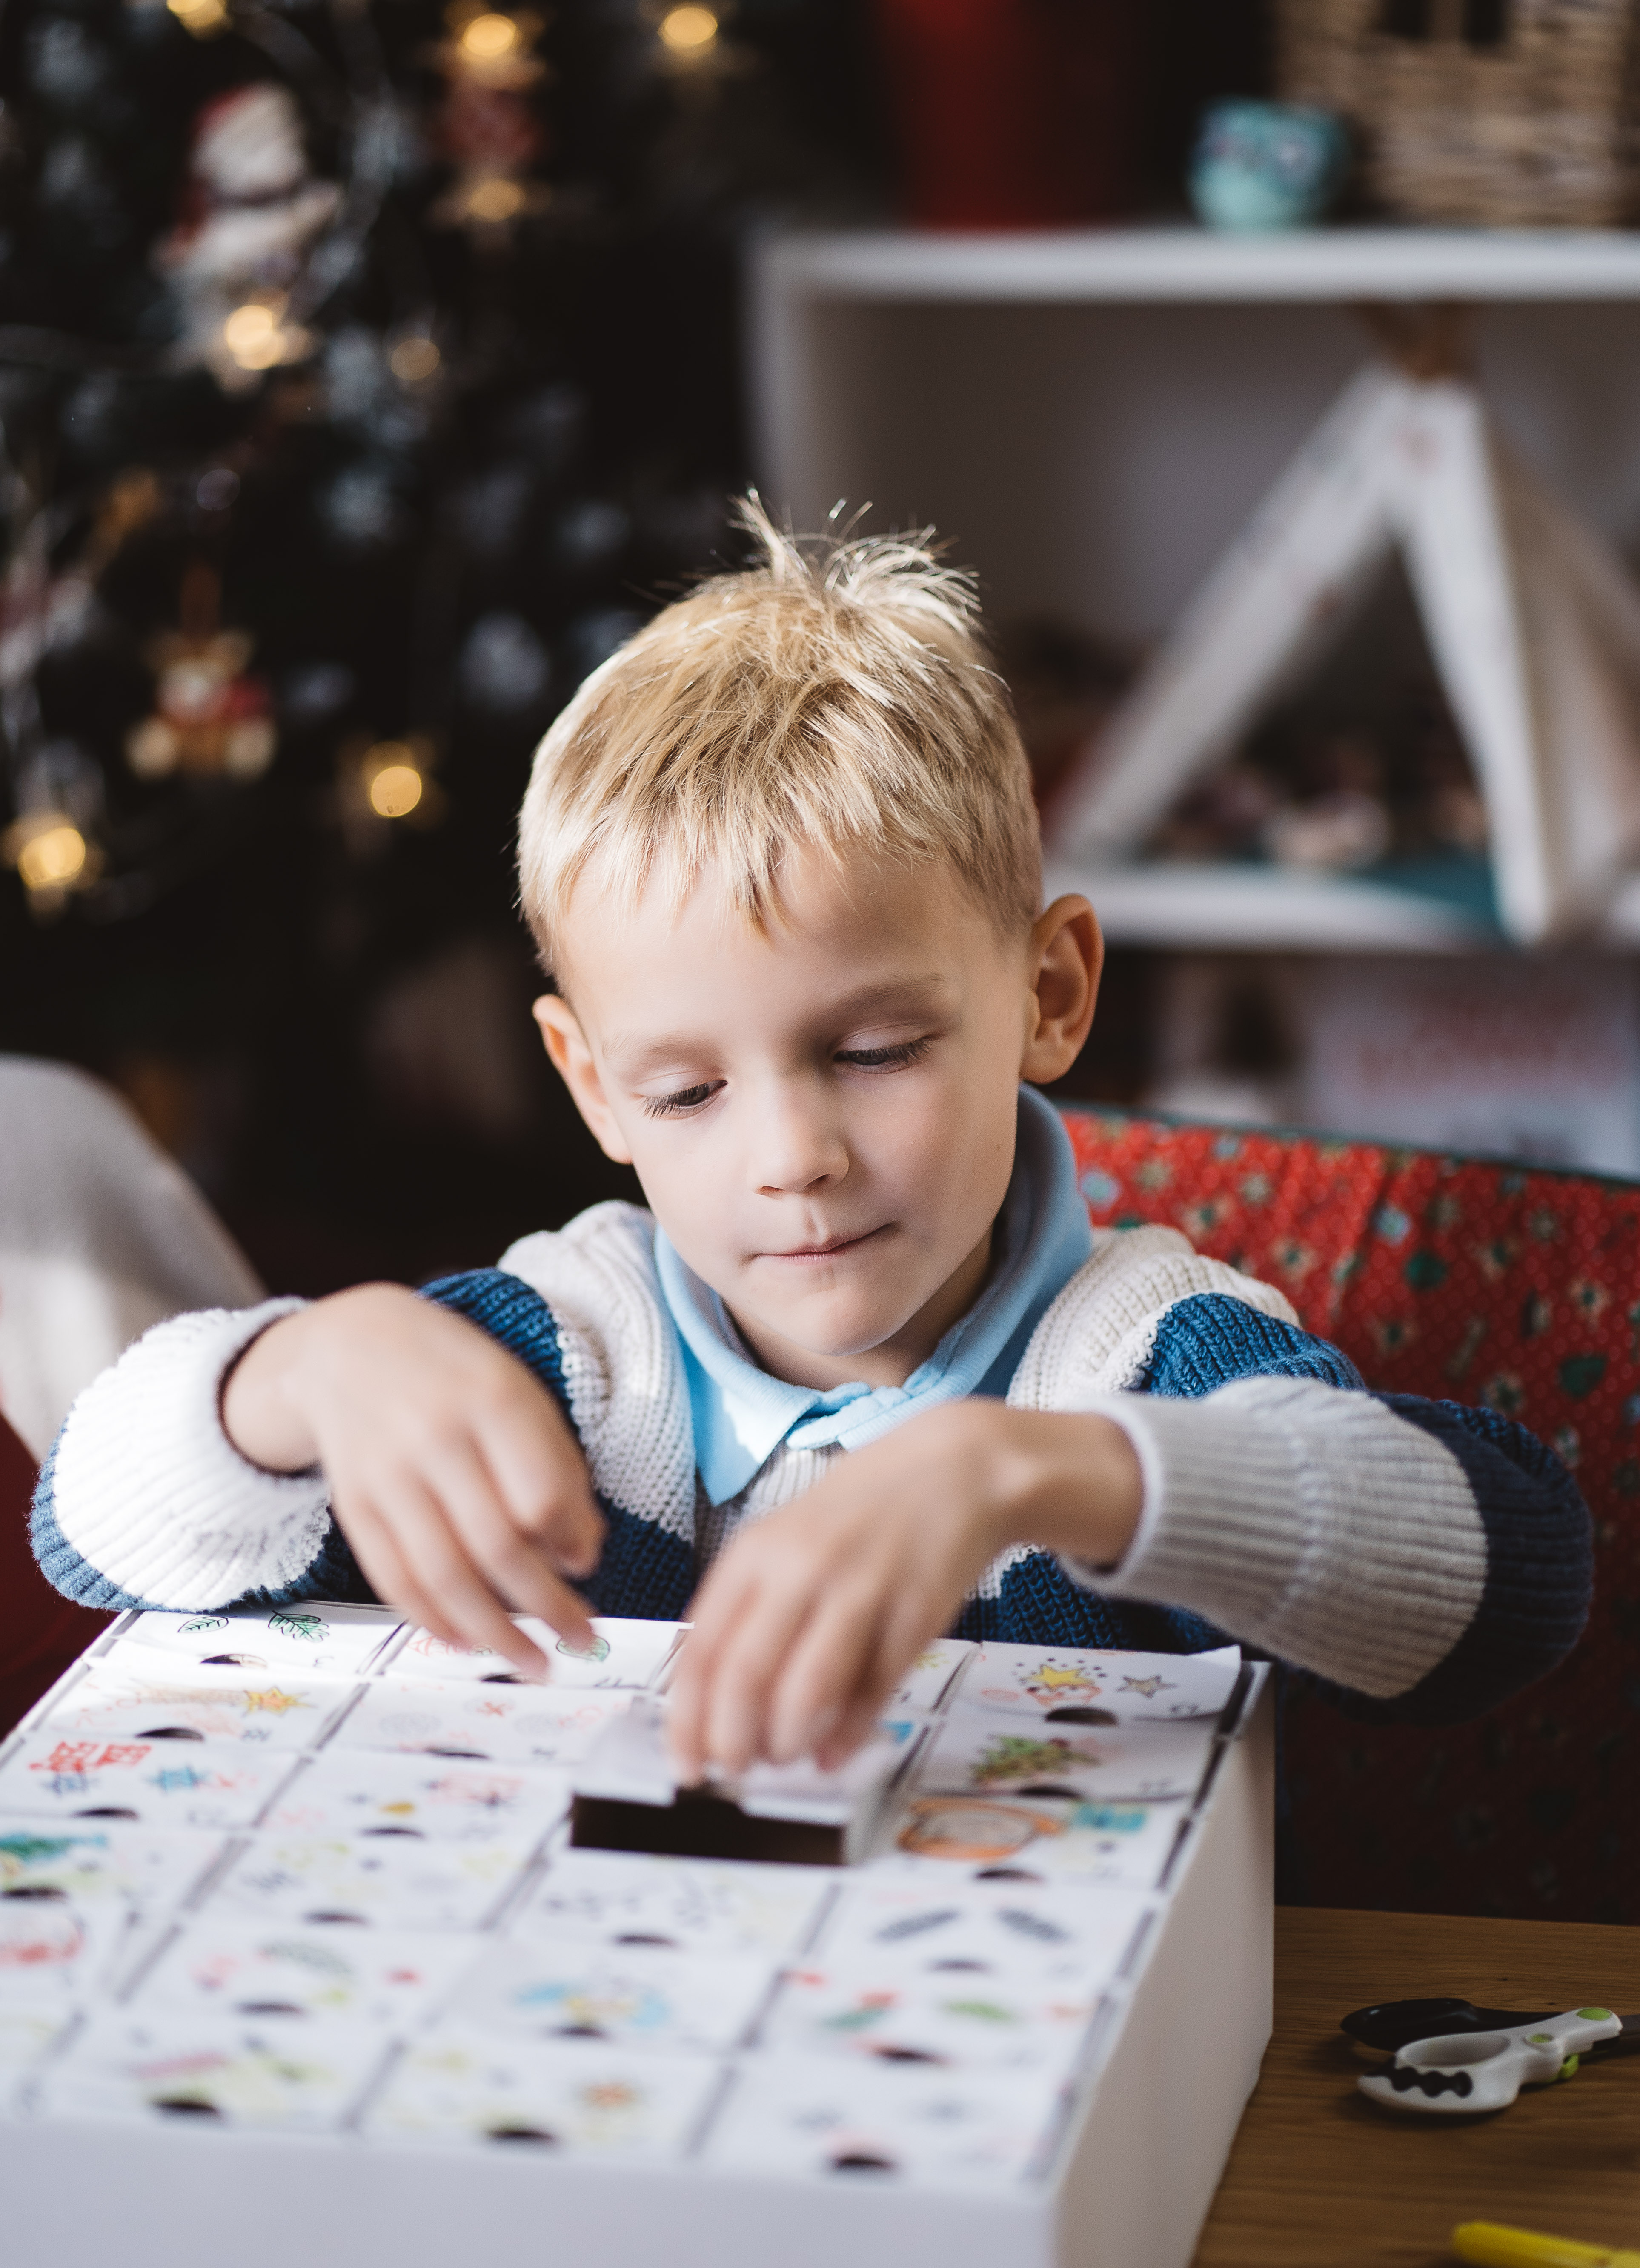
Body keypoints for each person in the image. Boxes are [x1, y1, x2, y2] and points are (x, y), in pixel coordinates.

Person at [33, 507, 1592, 1784]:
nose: (792, 1156)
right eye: (688, 1092)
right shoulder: (580, 1346)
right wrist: (304, 1377)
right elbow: (88, 1535)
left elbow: (1503, 1578)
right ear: (589, 1087)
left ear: (1049, 994)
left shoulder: (1138, 1357)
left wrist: (1029, 1474)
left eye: (873, 1051)